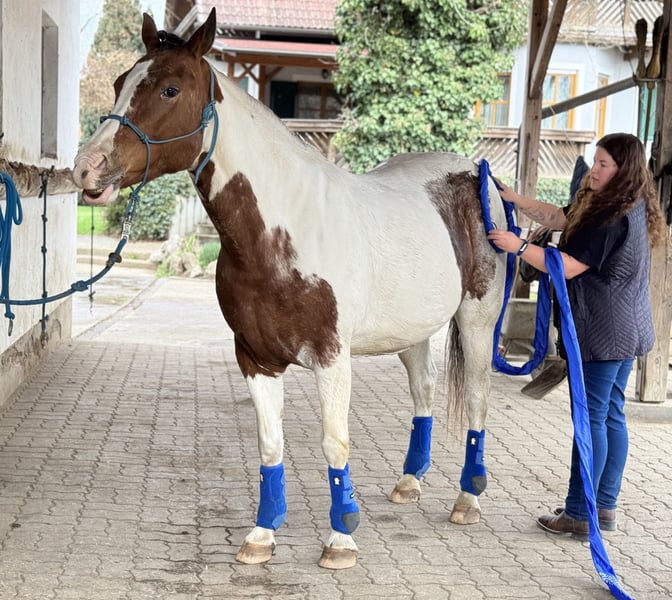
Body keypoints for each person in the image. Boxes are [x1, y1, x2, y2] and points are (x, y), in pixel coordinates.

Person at [487, 133, 666, 539]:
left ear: (624, 170)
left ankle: (578, 513)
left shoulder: (610, 217)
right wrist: (515, 199)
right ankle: (603, 507)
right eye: (596, 161)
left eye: (604, 165)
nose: (594, 171)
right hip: (626, 330)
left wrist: (517, 246)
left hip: (602, 334)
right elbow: (558, 216)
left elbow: (566, 265)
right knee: (611, 415)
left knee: (591, 420)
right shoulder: (624, 203)